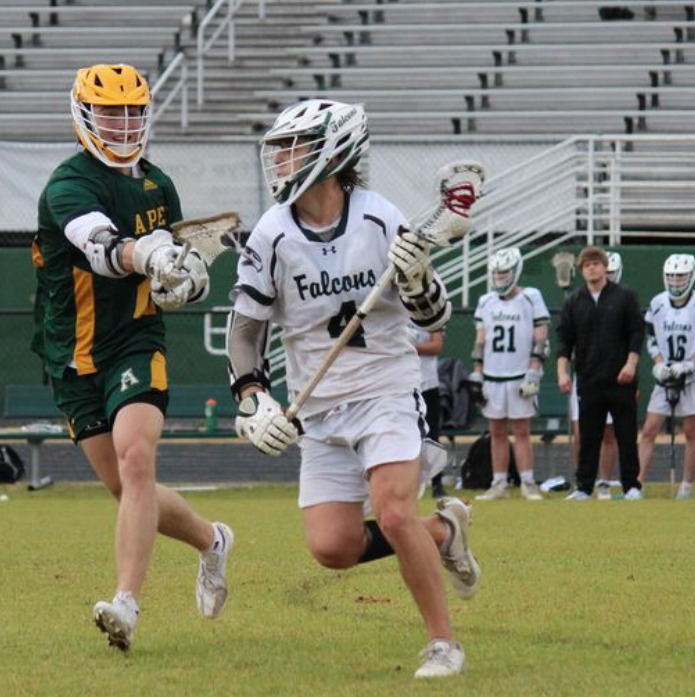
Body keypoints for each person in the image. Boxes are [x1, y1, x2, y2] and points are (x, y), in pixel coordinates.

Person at [226, 99, 480, 678]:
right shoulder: (271, 232)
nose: (282, 160)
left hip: (386, 389)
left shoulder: (379, 216)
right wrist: (252, 397)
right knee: (332, 548)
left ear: (333, 151)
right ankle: (444, 530)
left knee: (392, 514)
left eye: (294, 147)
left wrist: (416, 277)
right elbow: (246, 332)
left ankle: (443, 643)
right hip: (318, 408)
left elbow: (433, 316)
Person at [34, 64, 233, 652]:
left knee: (138, 460)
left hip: (135, 340)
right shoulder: (67, 183)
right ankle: (212, 540)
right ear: (84, 116)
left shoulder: (159, 186)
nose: (122, 125)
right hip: (72, 353)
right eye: (110, 113)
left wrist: (181, 278)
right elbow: (98, 245)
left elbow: (169, 269)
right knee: (127, 489)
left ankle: (125, 602)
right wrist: (143, 254)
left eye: (131, 112)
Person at [556, 246, 644, 500]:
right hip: (589, 379)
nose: (592, 268)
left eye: (596, 263)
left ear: (605, 267)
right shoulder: (574, 301)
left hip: (621, 379)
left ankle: (631, 486)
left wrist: (631, 364)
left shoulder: (625, 297)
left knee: (626, 434)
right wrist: (563, 373)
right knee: (589, 437)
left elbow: (636, 333)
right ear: (581, 270)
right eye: (586, 265)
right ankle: (584, 487)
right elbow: (564, 340)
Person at [470, 247, 550, 501]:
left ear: (516, 272)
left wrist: (534, 370)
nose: (501, 277)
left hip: (519, 374)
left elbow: (541, 336)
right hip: (493, 375)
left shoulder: (530, 297)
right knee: (496, 432)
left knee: (522, 431)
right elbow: (480, 341)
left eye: (505, 273)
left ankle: (527, 481)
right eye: (497, 273)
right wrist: (477, 373)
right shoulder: (486, 301)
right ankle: (499, 482)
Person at [637, 254, 695, 499]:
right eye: (671, 276)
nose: (675, 281)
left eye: (680, 276)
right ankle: (637, 484)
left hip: (692, 375)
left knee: (690, 429)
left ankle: (686, 485)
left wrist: (690, 364)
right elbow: (651, 338)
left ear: (691, 275)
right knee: (650, 428)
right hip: (666, 374)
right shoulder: (658, 302)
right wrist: (659, 364)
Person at [409, 325, 447, 498]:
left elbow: (436, 346)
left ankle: (437, 483)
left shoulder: (427, 308)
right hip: (403, 383)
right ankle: (408, 481)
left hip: (428, 382)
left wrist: (408, 346)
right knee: (405, 434)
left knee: (432, 434)